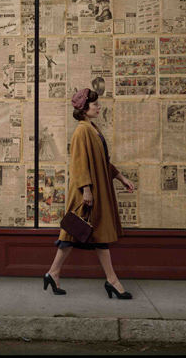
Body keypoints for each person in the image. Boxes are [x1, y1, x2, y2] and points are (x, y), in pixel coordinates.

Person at [44, 88, 135, 298]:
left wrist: (121, 178)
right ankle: (111, 281)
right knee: (79, 233)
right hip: (88, 193)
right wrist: (86, 189)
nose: (99, 107)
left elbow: (103, 161)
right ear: (85, 109)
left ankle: (53, 273)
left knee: (84, 235)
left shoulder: (93, 128)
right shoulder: (81, 131)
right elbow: (78, 163)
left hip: (96, 190)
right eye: (95, 105)